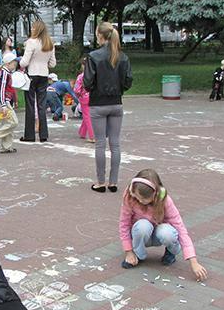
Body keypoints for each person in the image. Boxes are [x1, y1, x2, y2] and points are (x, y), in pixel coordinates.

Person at [119, 169, 208, 281]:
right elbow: (124, 224)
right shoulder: (130, 196)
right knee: (142, 225)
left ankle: (171, 251)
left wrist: (194, 262)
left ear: (155, 194)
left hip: (159, 235)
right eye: (137, 197)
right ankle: (138, 254)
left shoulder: (165, 201)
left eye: (143, 199)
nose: (140, 201)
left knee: (167, 232)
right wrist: (128, 251)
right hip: (141, 233)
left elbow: (180, 229)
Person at [83, 22, 132, 193]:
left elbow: (87, 82)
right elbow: (128, 81)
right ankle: (113, 182)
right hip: (116, 103)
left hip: (98, 104)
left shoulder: (93, 56)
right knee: (115, 144)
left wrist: (95, 88)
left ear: (100, 35)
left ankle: (100, 182)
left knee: (100, 144)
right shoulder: (122, 57)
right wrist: (119, 89)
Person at [19, 21, 56, 142]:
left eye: (33, 28)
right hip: (44, 75)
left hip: (31, 75)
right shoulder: (50, 43)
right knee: (42, 105)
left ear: (37, 29)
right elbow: (53, 63)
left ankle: (29, 135)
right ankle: (43, 135)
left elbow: (24, 62)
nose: (31, 29)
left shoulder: (31, 42)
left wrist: (20, 61)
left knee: (30, 105)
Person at [0, 52, 19, 154]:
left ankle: (6, 147)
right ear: (8, 63)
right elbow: (1, 90)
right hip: (3, 102)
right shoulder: (5, 74)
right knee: (13, 122)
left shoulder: (4, 73)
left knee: (7, 123)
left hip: (2, 101)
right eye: (14, 64)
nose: (15, 66)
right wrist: (4, 105)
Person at [74, 58, 93, 142]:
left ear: (83, 66)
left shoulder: (81, 76)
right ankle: (82, 132)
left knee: (87, 116)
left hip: (84, 97)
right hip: (94, 97)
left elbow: (76, 90)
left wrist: (79, 95)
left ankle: (92, 136)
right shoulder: (94, 75)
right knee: (87, 115)